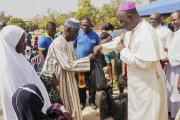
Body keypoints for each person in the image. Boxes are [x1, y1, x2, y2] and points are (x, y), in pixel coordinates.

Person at [94, 2, 168, 120]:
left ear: (130, 16)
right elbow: (119, 42)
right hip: (137, 84)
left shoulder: (146, 32)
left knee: (148, 115)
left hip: (149, 86)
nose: (120, 24)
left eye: (122, 21)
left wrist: (123, 51)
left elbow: (144, 63)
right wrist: (103, 47)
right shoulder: (131, 30)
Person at [41, 18, 96, 120]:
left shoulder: (68, 43)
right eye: (76, 32)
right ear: (69, 29)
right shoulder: (58, 44)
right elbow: (67, 65)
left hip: (68, 78)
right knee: (63, 109)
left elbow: (73, 61)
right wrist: (88, 58)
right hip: (58, 81)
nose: (77, 35)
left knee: (72, 105)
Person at [0, 25, 51, 120]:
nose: (25, 44)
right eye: (22, 41)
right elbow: (17, 96)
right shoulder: (7, 66)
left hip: (35, 106)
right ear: (13, 43)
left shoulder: (19, 57)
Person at [74, 17, 100, 110]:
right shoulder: (78, 34)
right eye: (83, 25)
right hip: (80, 64)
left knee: (92, 83)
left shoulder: (95, 36)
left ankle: (92, 101)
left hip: (91, 64)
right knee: (81, 83)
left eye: (87, 25)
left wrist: (95, 54)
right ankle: (82, 102)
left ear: (90, 25)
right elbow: (73, 47)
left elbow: (98, 49)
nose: (85, 27)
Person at [166, 10, 180, 120]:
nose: (172, 22)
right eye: (172, 20)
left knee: (177, 98)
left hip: (178, 72)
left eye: (174, 19)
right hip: (172, 70)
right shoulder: (176, 33)